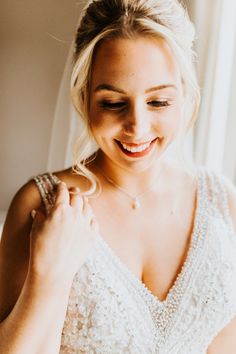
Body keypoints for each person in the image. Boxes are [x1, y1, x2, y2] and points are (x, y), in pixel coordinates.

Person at [0, 0, 236, 353]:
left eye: (158, 102)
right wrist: (51, 273)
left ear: (186, 94)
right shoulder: (41, 205)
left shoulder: (221, 202)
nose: (137, 127)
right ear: (84, 97)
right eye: (113, 103)